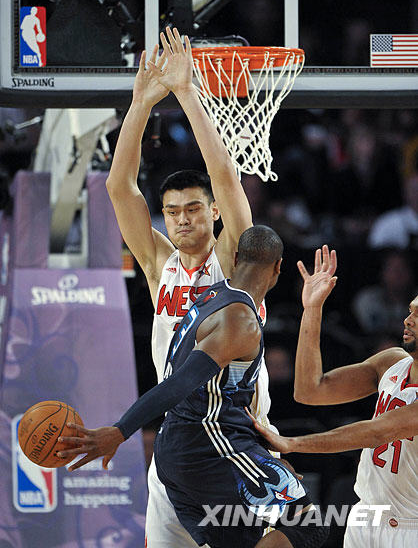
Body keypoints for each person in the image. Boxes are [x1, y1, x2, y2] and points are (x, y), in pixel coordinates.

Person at [105, 27, 276, 547]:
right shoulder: (160, 262)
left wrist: (186, 93)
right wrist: (140, 103)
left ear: (214, 214)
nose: (181, 220)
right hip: (178, 437)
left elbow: (224, 175)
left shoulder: (233, 262)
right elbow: (120, 187)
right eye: (173, 212)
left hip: (233, 438)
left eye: (193, 210)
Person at [58, 226, 329, 548]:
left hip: (180, 449)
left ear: (237, 258)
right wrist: (119, 431)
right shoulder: (240, 321)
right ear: (278, 267)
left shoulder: (210, 296)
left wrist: (259, 453)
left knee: (244, 538)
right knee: (308, 525)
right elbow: (183, 383)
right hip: (209, 446)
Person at [248, 245, 418, 548]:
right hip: (364, 515)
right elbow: (310, 390)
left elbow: (376, 431)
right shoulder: (391, 362)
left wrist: (293, 443)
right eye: (409, 311)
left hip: (410, 526)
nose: (408, 320)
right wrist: (312, 309)